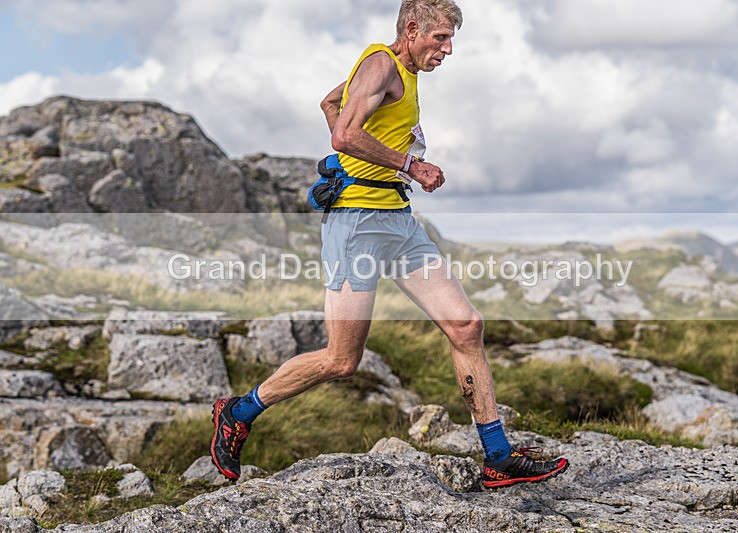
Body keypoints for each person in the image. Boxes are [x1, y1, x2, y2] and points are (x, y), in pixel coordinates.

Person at [211, 0, 570, 489]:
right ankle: (238, 412)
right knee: (342, 360)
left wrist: (360, 164)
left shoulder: (397, 70)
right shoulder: (382, 63)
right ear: (413, 28)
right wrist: (409, 165)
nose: (448, 50)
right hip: (357, 223)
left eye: (452, 40)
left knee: (466, 326)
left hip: (397, 220)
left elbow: (330, 106)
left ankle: (497, 456)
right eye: (441, 38)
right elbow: (344, 132)